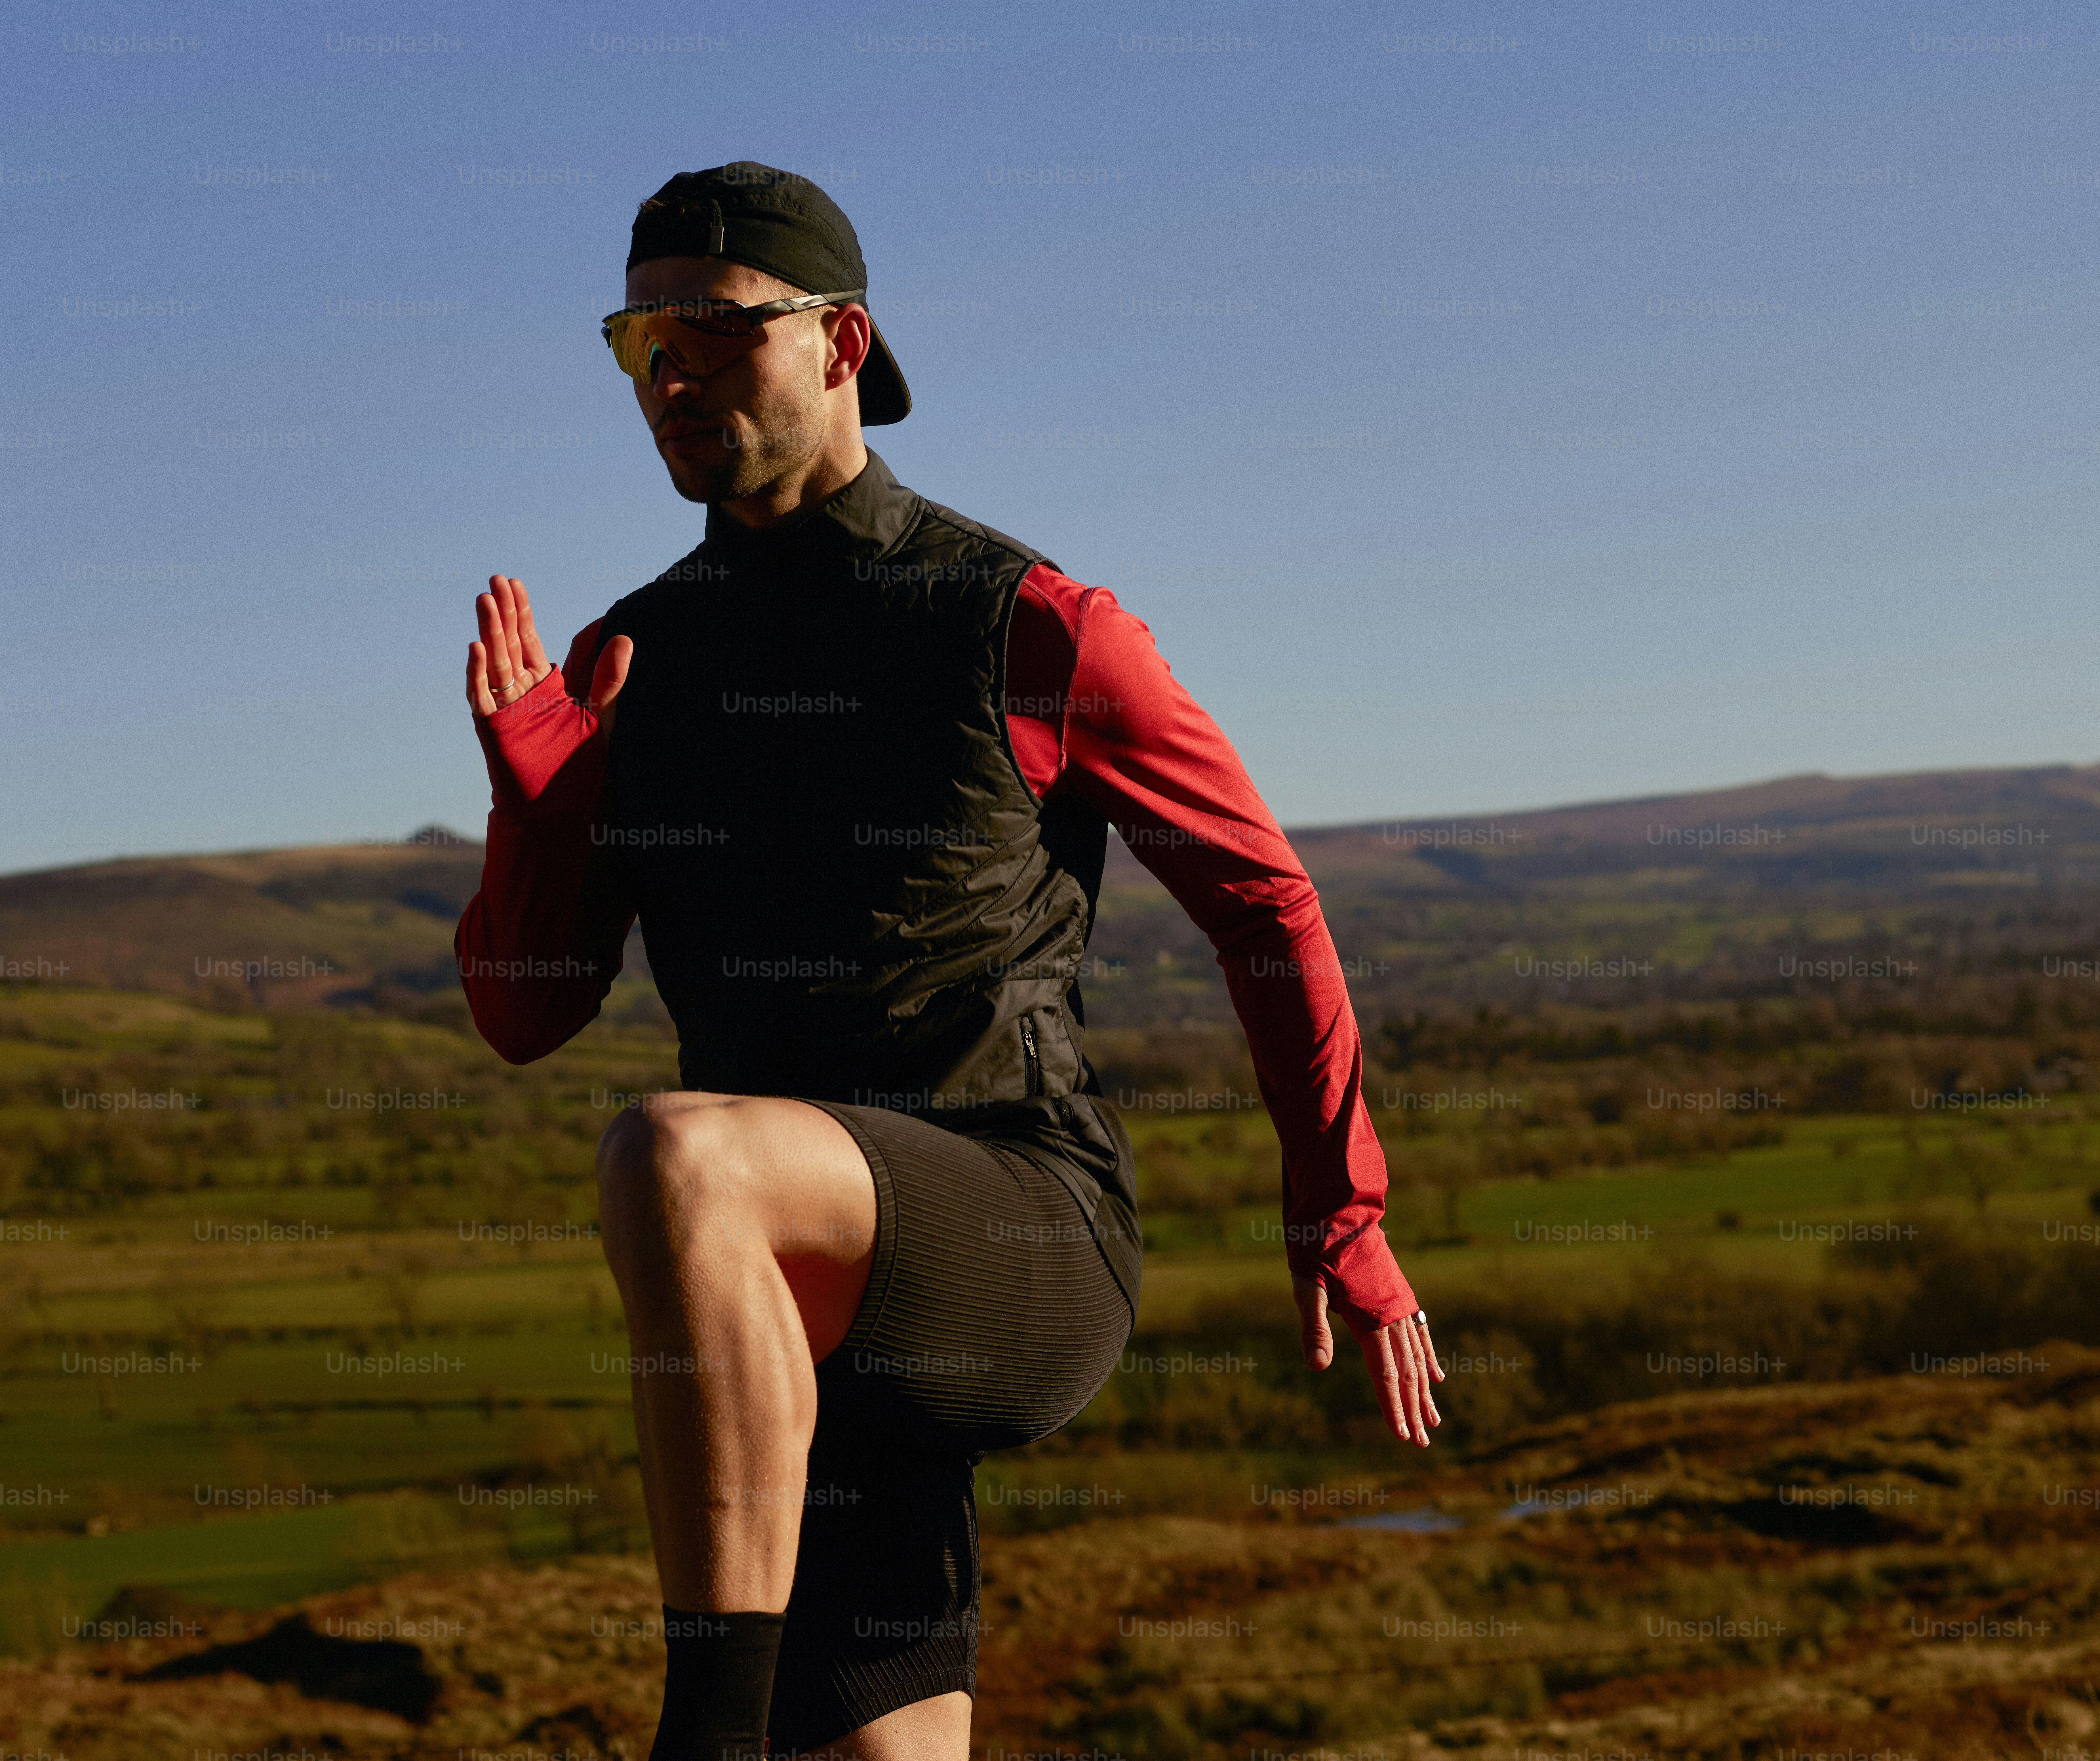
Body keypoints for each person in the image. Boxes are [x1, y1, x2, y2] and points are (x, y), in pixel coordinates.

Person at [453, 161, 1442, 1761]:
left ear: (843, 343)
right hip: (799, 1345)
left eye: (714, 333)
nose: (672, 377)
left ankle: (696, 1737)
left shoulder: (1028, 623)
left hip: (1019, 1229)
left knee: (680, 1153)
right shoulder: (638, 652)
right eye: (640, 344)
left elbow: (1262, 900)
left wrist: (1345, 1212)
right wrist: (541, 805)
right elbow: (523, 1017)